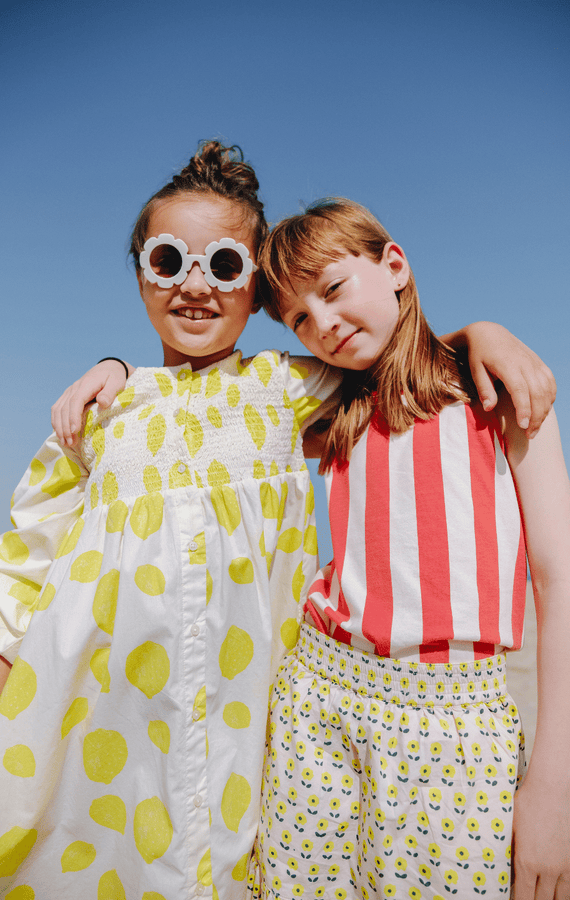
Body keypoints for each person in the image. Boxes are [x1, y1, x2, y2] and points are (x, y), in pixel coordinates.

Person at [0, 141, 555, 900]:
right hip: (100, 761)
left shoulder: (288, 391)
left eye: (223, 267)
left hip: (248, 769)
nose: (194, 286)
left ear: (253, 292)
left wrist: (483, 332)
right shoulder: (93, 421)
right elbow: (12, 589)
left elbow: (399, 358)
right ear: (140, 271)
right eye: (168, 259)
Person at [249, 199, 570, 900]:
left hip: (454, 724)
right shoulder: (329, 410)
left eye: (332, 289)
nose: (323, 325)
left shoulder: (498, 393)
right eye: (299, 318)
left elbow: (561, 580)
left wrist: (555, 782)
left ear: (395, 265)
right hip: (318, 703)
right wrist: (117, 368)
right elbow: (209, 395)